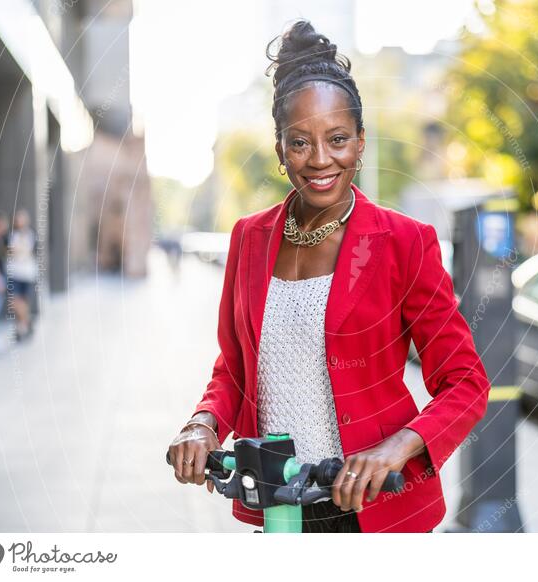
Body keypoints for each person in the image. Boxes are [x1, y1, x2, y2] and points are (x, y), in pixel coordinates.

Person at [167, 20, 489, 533]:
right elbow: (234, 368)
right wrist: (202, 424)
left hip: (378, 511)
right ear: (279, 150)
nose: (320, 160)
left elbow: (465, 382)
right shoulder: (250, 238)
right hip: (279, 508)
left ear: (360, 142)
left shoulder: (403, 242)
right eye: (300, 143)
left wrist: (394, 451)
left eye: (338, 139)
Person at [6, 209, 38, 341]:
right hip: (14, 273)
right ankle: (27, 322)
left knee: (23, 301)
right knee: (15, 302)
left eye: (22, 219)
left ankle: (20, 327)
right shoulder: (12, 235)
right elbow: (10, 252)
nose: (19, 222)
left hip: (27, 274)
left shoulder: (31, 235)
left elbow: (29, 252)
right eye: (18, 219)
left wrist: (19, 252)